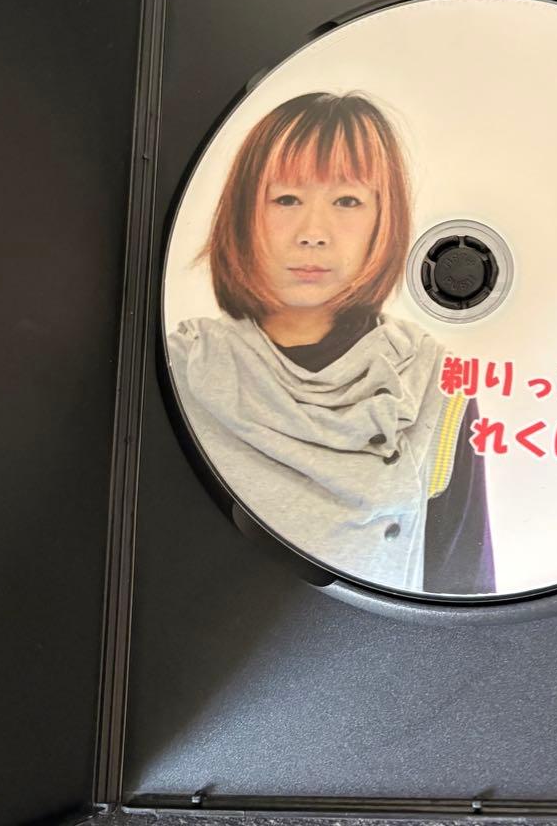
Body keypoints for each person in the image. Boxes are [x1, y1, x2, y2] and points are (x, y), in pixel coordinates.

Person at [167, 91, 495, 596]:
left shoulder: (438, 385)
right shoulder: (180, 368)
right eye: (286, 199)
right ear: (243, 214)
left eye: (347, 201)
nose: (313, 233)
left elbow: (463, 598)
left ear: (384, 218)